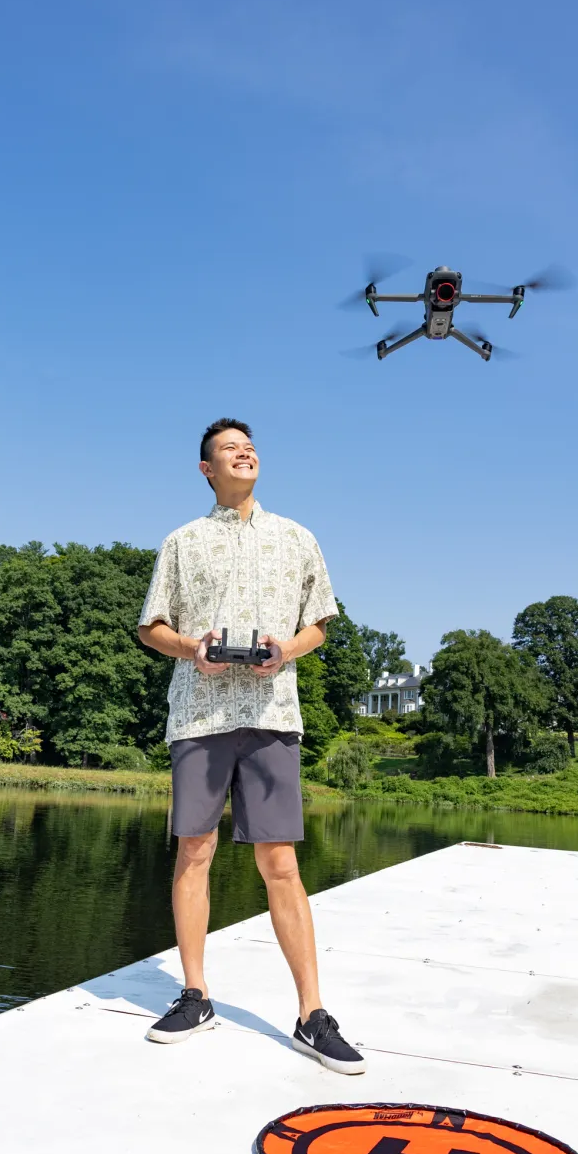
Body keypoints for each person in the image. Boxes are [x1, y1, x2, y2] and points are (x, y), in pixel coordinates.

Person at [137, 418, 365, 1075]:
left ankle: (312, 1015)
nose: (245, 453)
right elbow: (152, 626)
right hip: (200, 715)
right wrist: (192, 648)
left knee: (281, 862)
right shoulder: (182, 543)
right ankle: (195, 995)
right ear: (207, 469)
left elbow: (319, 621)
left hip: (272, 713)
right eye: (229, 449)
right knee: (194, 852)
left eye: (250, 446)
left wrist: (284, 649)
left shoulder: (298, 538)